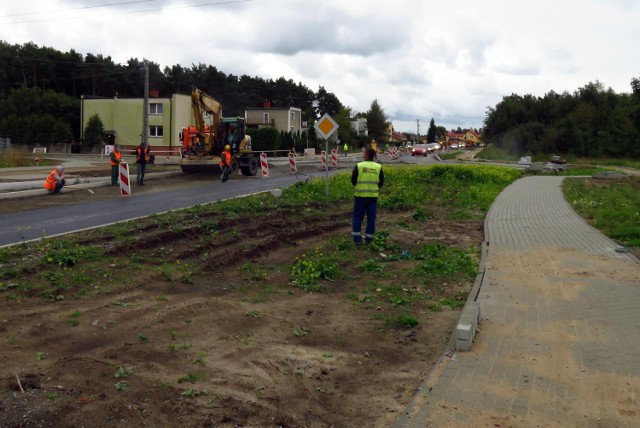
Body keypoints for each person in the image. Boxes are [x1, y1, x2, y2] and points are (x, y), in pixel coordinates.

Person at [351, 148, 384, 245]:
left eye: (363, 153)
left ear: (366, 155)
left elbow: (353, 181)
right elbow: (381, 182)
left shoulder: (359, 166)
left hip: (360, 196)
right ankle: (369, 239)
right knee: (371, 218)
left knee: (357, 217)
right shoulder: (378, 167)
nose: (362, 154)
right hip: (373, 197)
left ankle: (357, 239)